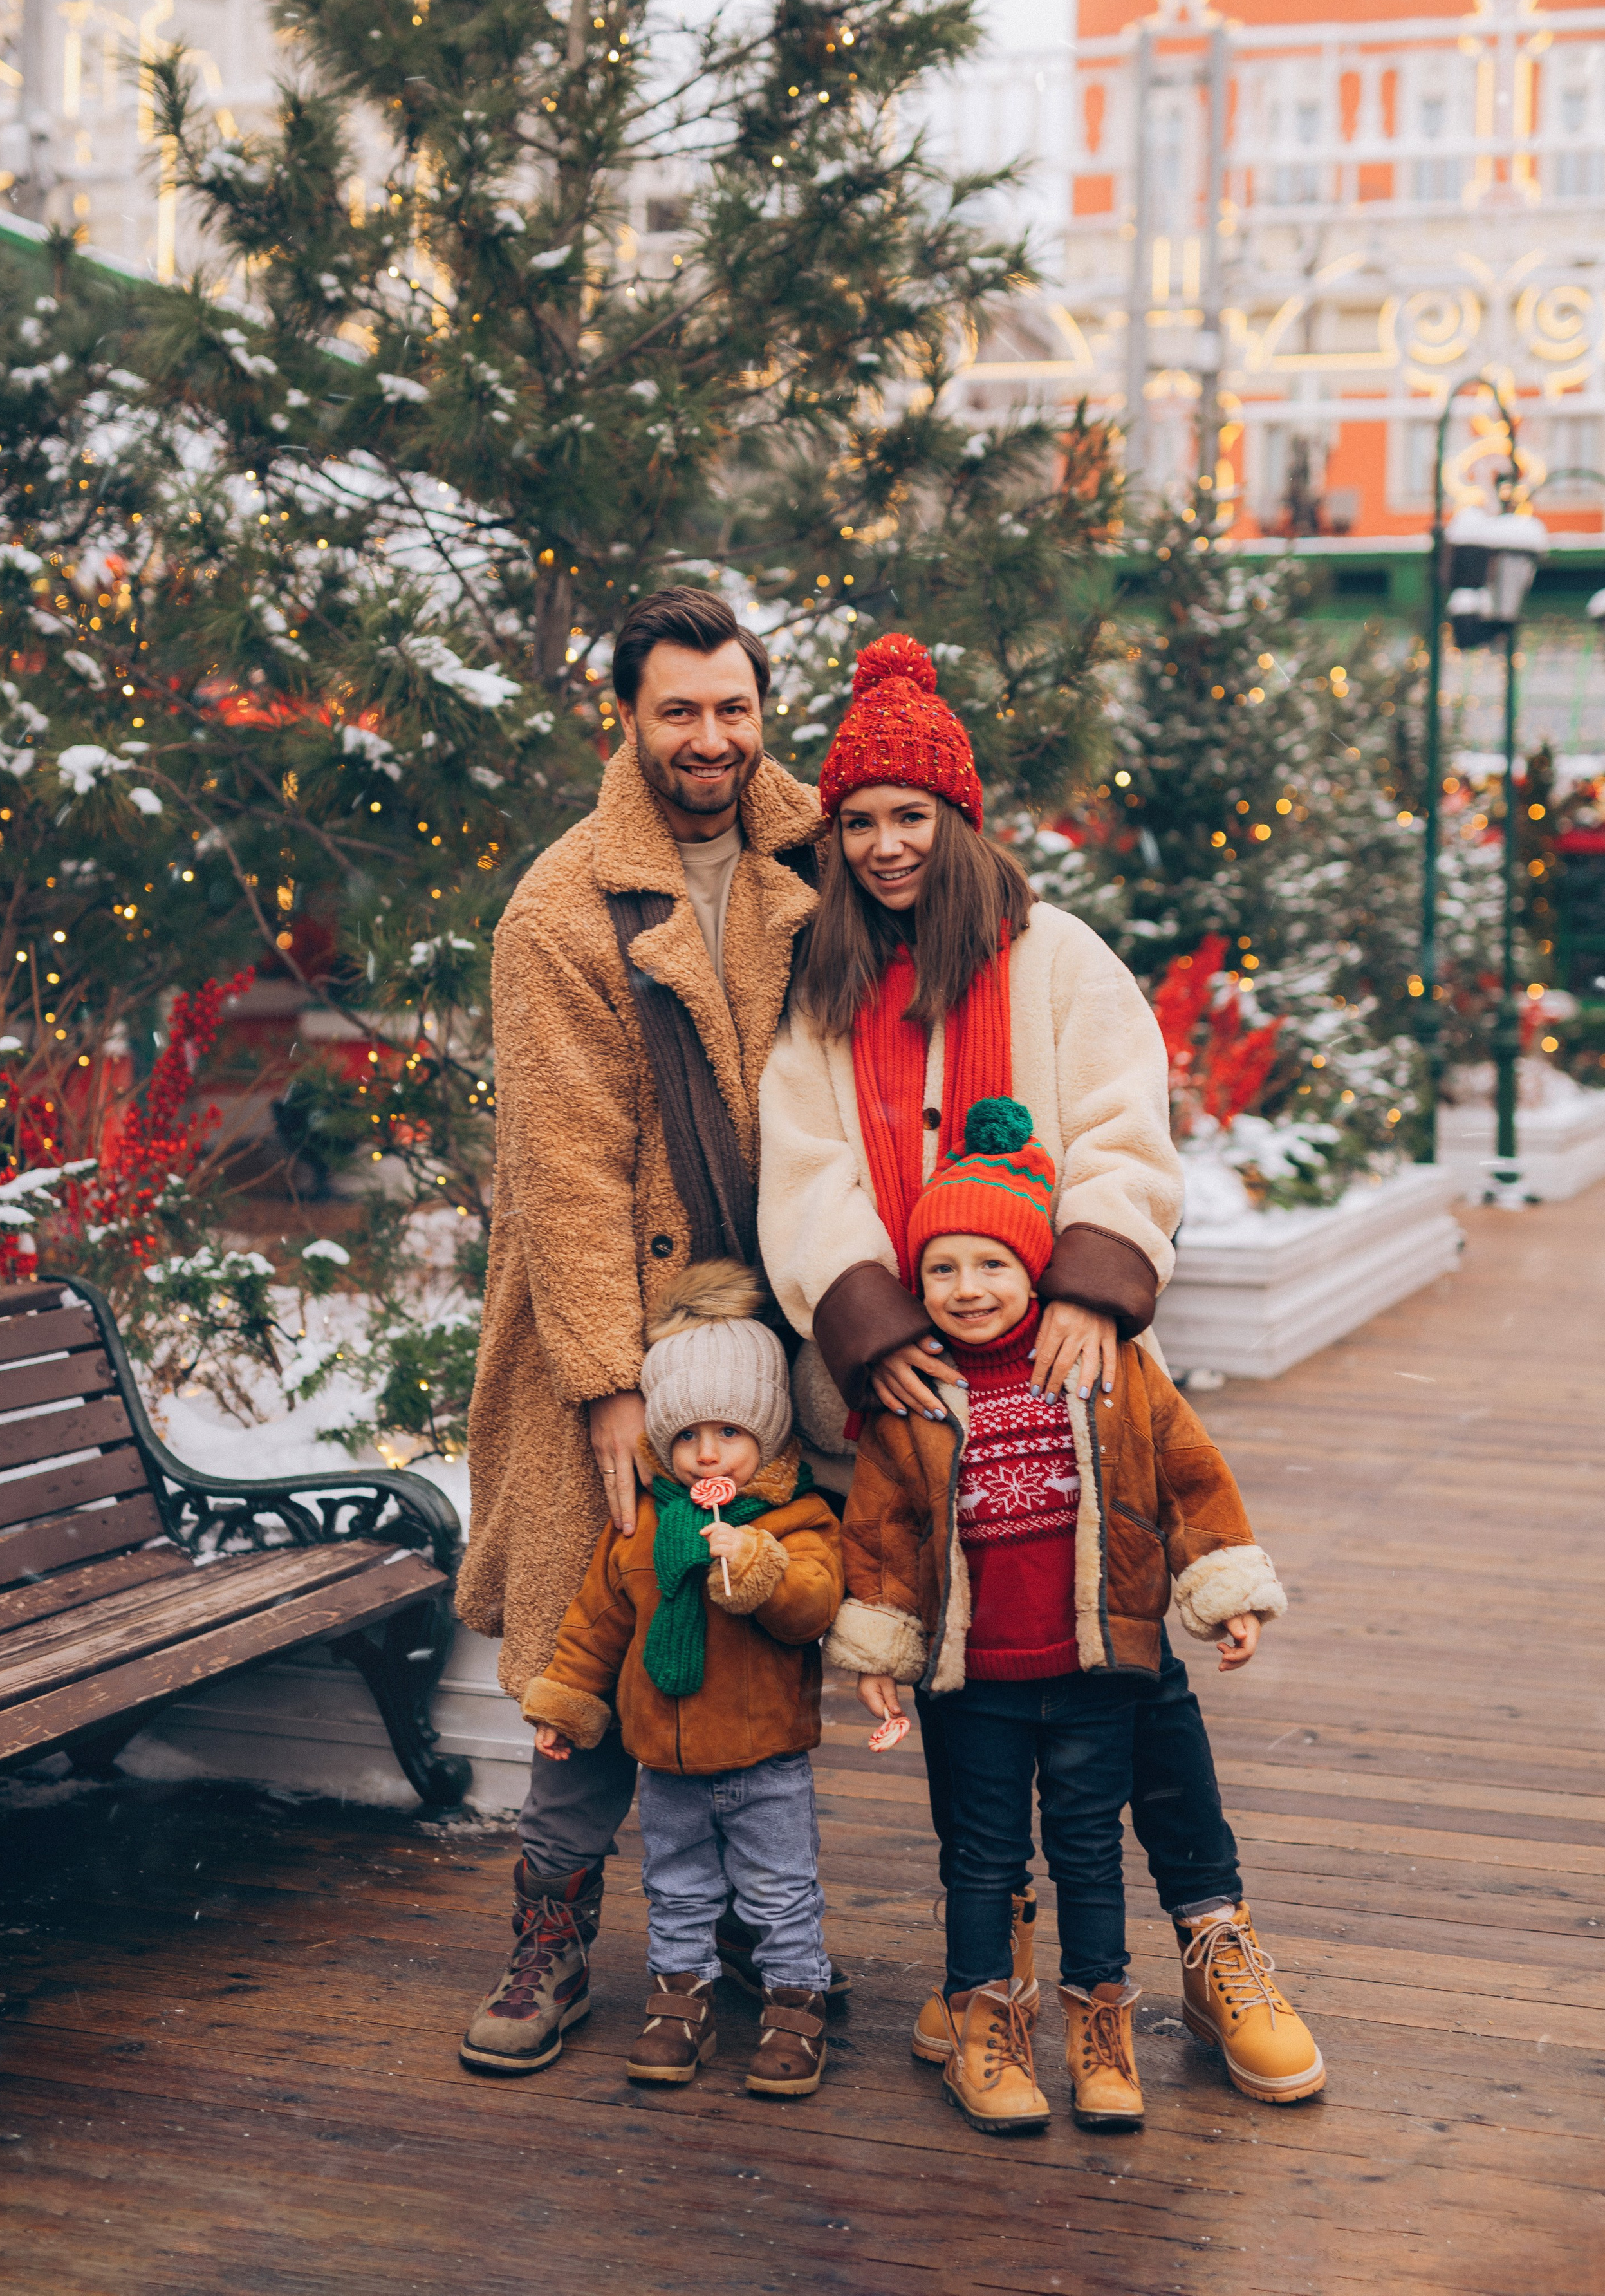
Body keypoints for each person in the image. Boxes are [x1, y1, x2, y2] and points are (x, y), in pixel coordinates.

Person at [757, 630, 1324, 2105]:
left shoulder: (1054, 956)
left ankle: (1210, 1937)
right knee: (969, 1666)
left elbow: (1127, 1128)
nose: (883, 846)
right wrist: (874, 1332)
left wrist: (1094, 1289)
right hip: (922, 1398)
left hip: (1072, 1369)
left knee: (1126, 1667)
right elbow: (805, 1176)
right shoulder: (821, 990)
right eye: (858, 820)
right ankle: (992, 1955)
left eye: (908, 816)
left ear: (960, 821)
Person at [455, 587, 824, 2075]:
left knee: (756, 1602)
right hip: (607, 1324)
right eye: (678, 709)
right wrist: (608, 1384)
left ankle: (747, 1928)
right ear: (625, 719)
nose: (709, 738)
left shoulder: (812, 856)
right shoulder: (562, 907)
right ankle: (549, 1943)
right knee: (591, 1629)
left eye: (731, 707)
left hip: (770, 1329)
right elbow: (563, 1164)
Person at [827, 1099, 1315, 2132]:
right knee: (982, 1856)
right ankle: (987, 2025)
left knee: (1091, 1850)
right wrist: (879, 1636)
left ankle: (1105, 2028)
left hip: (1097, 1669)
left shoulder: (1107, 1365)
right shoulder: (914, 1397)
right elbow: (879, 1525)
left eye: (993, 1265)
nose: (967, 1290)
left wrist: (1220, 1586)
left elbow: (1187, 1472)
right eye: (943, 1270)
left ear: (1040, 1268)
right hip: (979, 1682)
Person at [516, 1262, 844, 2096]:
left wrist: (761, 1566)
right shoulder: (642, 1525)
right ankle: (678, 2000)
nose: (707, 1450)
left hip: (764, 1756)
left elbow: (812, 1606)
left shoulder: (793, 1518)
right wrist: (567, 1706)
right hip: (663, 1757)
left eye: (729, 1432)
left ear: (766, 1435)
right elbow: (596, 1624)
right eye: (688, 1432)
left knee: (779, 1889)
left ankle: (794, 1998)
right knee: (677, 1887)